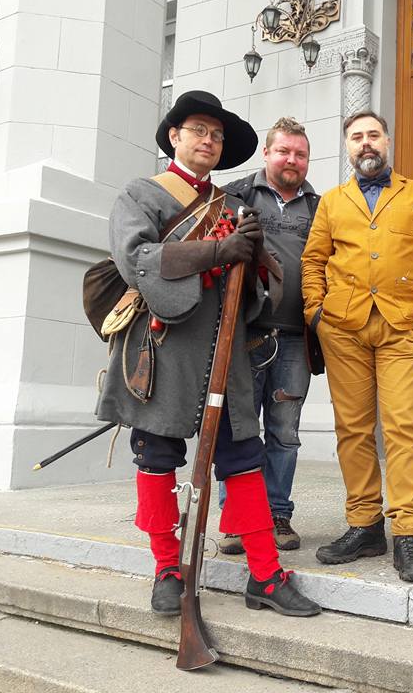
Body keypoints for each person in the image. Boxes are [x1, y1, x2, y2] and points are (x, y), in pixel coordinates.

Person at [95, 90, 320, 617]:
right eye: (199, 130)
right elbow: (136, 259)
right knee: (157, 458)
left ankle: (265, 575)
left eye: (217, 135)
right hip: (162, 347)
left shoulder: (235, 208)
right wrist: (218, 250)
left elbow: (257, 295)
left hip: (226, 349)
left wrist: (257, 262)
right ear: (175, 136)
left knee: (243, 457)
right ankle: (166, 569)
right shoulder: (140, 194)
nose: (209, 140)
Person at [301, 111, 413, 582]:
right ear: (347, 146)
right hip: (343, 329)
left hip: (404, 327)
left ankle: (407, 533)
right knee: (353, 430)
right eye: (356, 137)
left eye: (373, 135)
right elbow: (313, 260)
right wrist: (316, 313)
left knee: (404, 428)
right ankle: (364, 526)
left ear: (388, 140)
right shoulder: (331, 201)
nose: (366, 143)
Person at [216, 117, 321, 555]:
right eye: (284, 151)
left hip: (296, 339)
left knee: (284, 433)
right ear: (267, 153)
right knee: (239, 430)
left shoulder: (320, 207)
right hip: (245, 334)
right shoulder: (235, 195)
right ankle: (238, 519)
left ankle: (277, 514)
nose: (292, 160)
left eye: (300, 154)